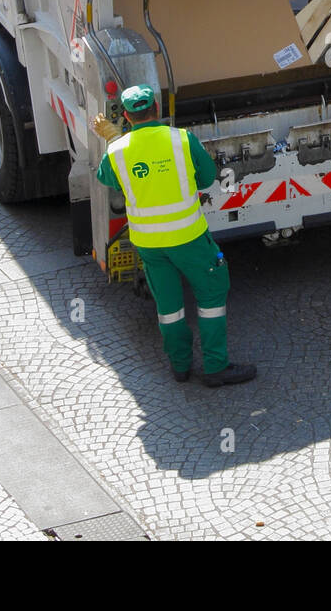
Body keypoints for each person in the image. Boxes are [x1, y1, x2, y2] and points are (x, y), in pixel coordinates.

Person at [94, 85, 256, 388]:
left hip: (149, 245)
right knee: (211, 293)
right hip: (189, 238)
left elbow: (107, 178)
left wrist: (114, 138)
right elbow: (208, 178)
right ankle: (215, 367)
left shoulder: (116, 150)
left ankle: (180, 366)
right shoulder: (182, 140)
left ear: (126, 116)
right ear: (157, 108)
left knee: (168, 304)